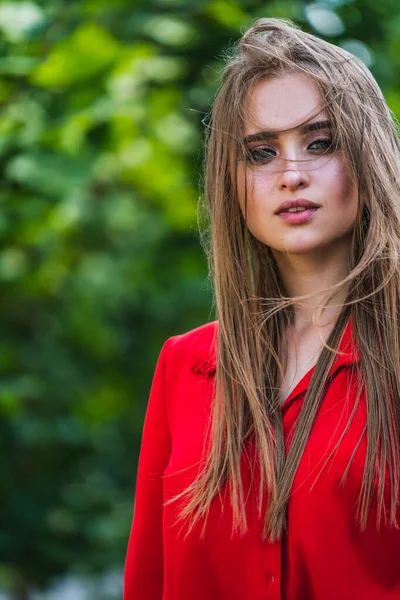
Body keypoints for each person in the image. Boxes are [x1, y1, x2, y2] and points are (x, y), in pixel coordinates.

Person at [124, 18, 400, 600]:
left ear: (368, 155)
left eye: (320, 143)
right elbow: (148, 582)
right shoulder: (185, 364)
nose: (291, 175)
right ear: (234, 179)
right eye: (261, 152)